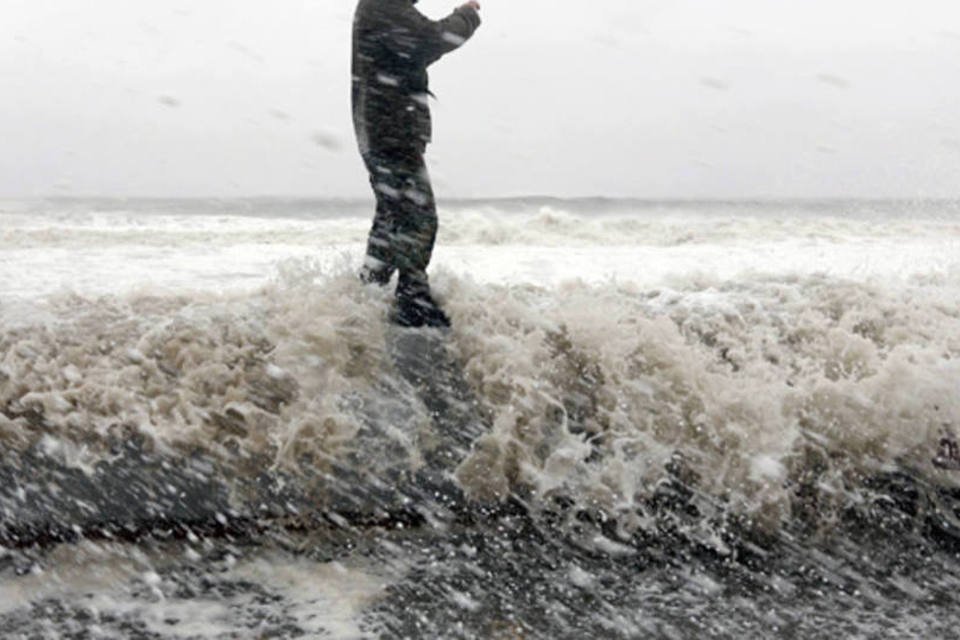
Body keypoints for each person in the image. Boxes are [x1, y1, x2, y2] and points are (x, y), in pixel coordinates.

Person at [351, 0, 482, 328]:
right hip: (391, 133)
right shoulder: (384, 5)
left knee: (392, 218)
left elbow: (417, 43)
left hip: (380, 131)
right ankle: (411, 302)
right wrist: (466, 15)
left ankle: (367, 297)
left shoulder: (377, 6)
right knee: (419, 219)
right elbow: (429, 40)